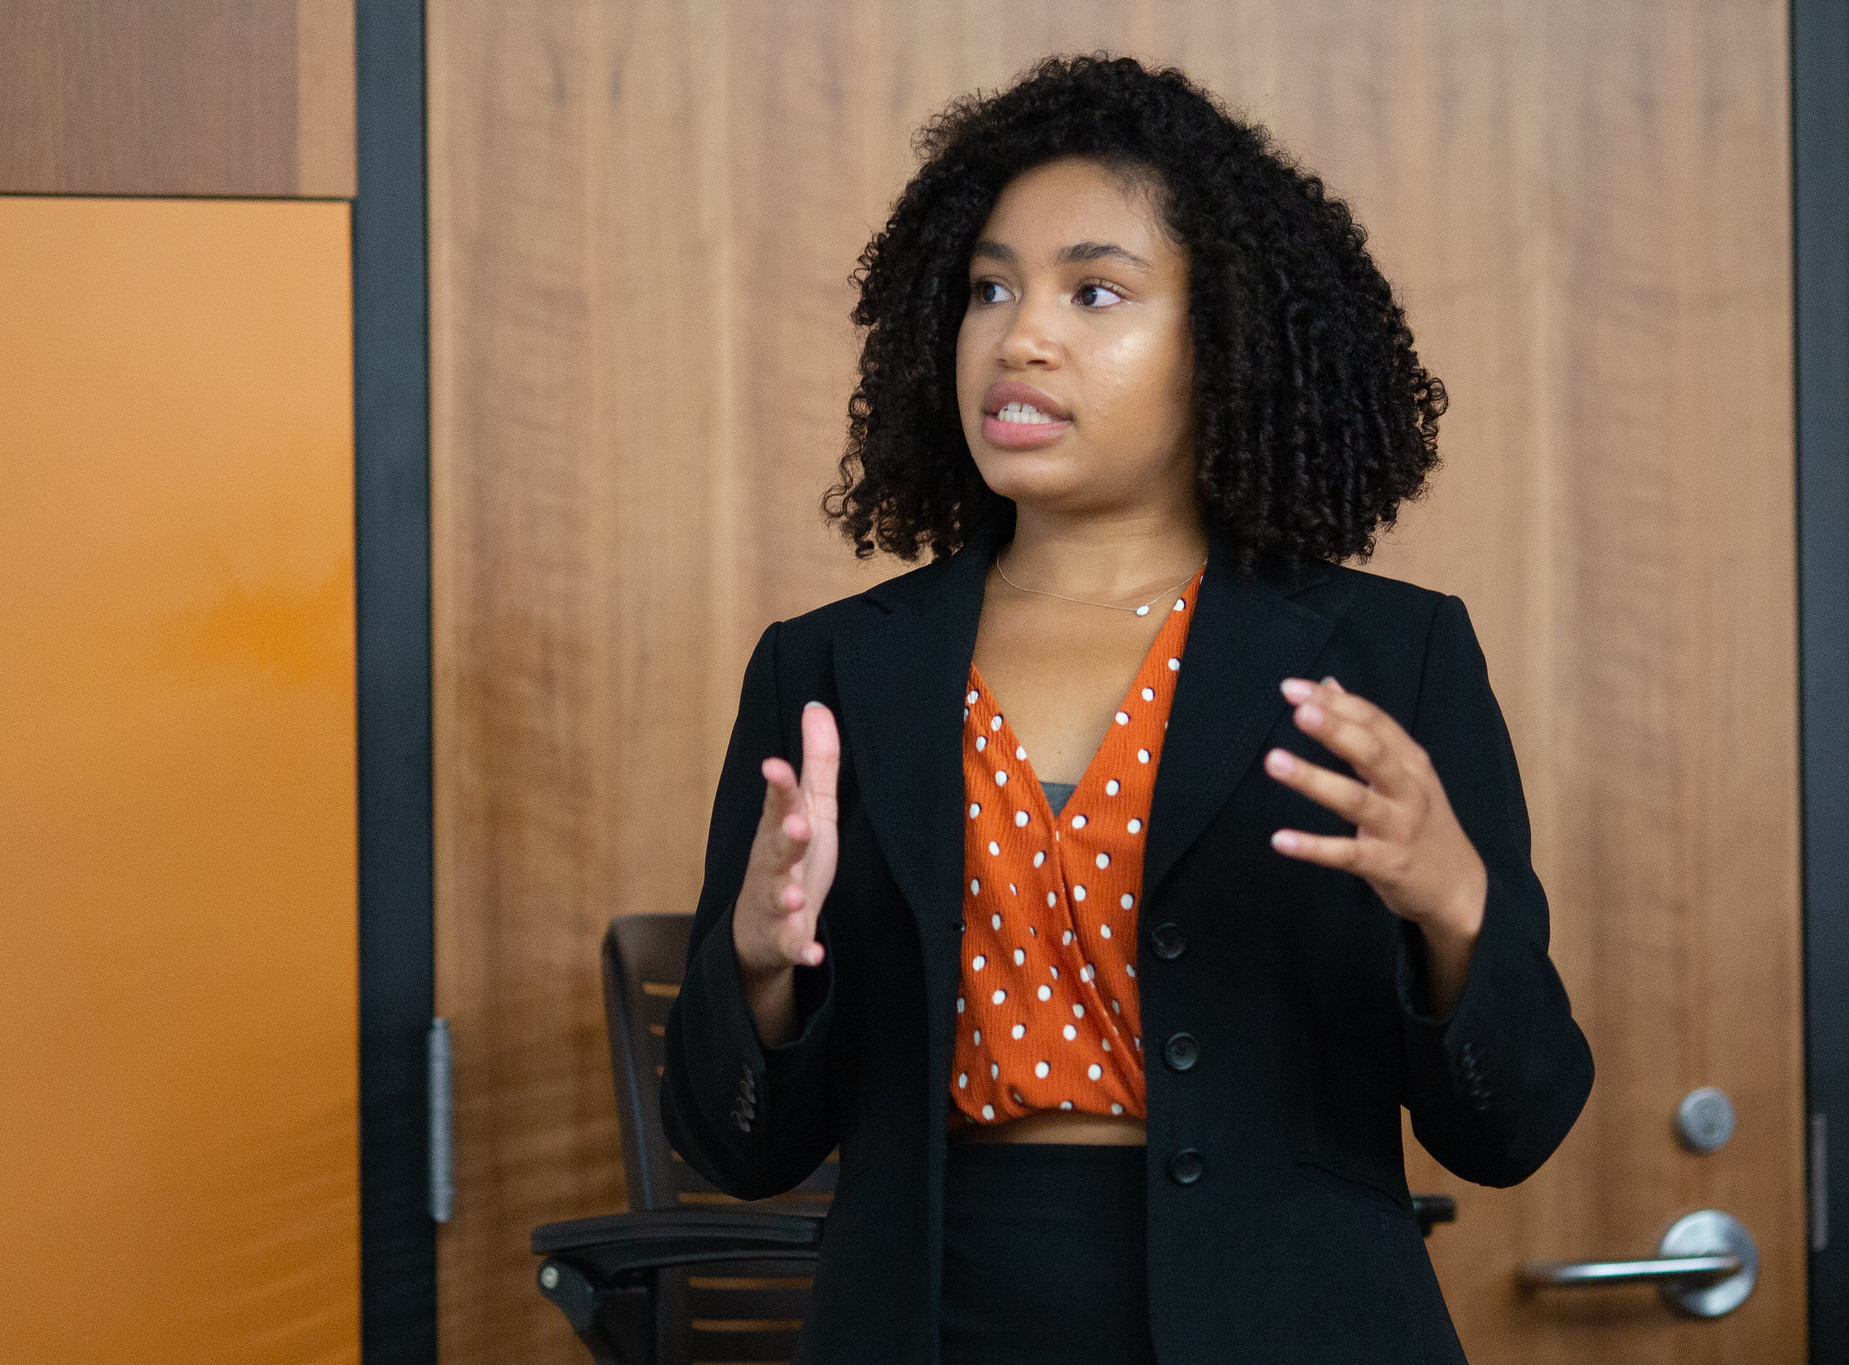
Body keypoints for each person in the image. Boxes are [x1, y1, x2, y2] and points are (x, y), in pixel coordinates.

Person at [661, 54, 1593, 1365]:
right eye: (990, 287)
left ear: (1227, 343)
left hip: (1294, 1321)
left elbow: (1514, 1123)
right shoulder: (827, 673)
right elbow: (736, 1144)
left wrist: (1453, 906)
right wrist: (757, 963)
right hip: (924, 1318)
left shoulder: (1393, 653)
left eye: (1094, 290)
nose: (1019, 334)